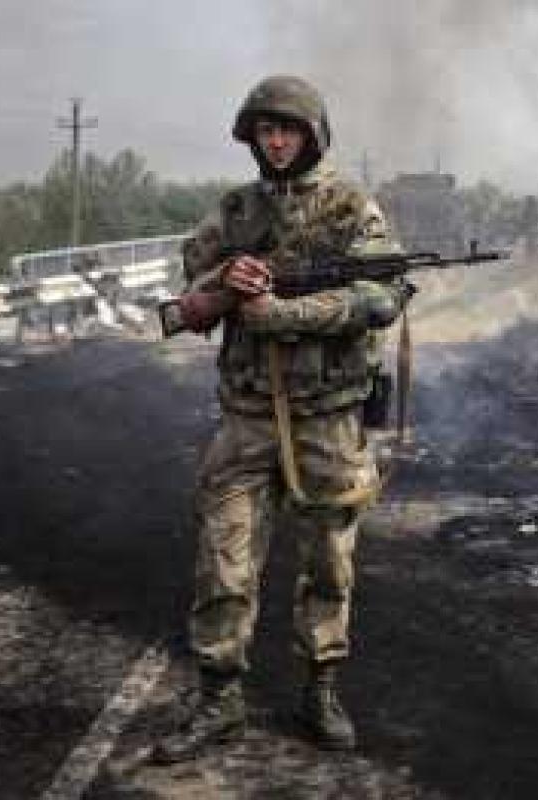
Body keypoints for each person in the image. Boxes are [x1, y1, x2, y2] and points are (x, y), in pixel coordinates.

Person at [152, 75, 412, 763]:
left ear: (313, 133)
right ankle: (218, 699)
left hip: (327, 419)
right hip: (246, 417)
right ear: (251, 137)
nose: (276, 141)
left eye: (288, 129)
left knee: (329, 564)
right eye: (265, 130)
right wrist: (228, 282)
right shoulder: (236, 210)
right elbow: (190, 278)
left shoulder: (353, 207)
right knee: (223, 561)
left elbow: (382, 296)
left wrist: (288, 313)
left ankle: (320, 690)